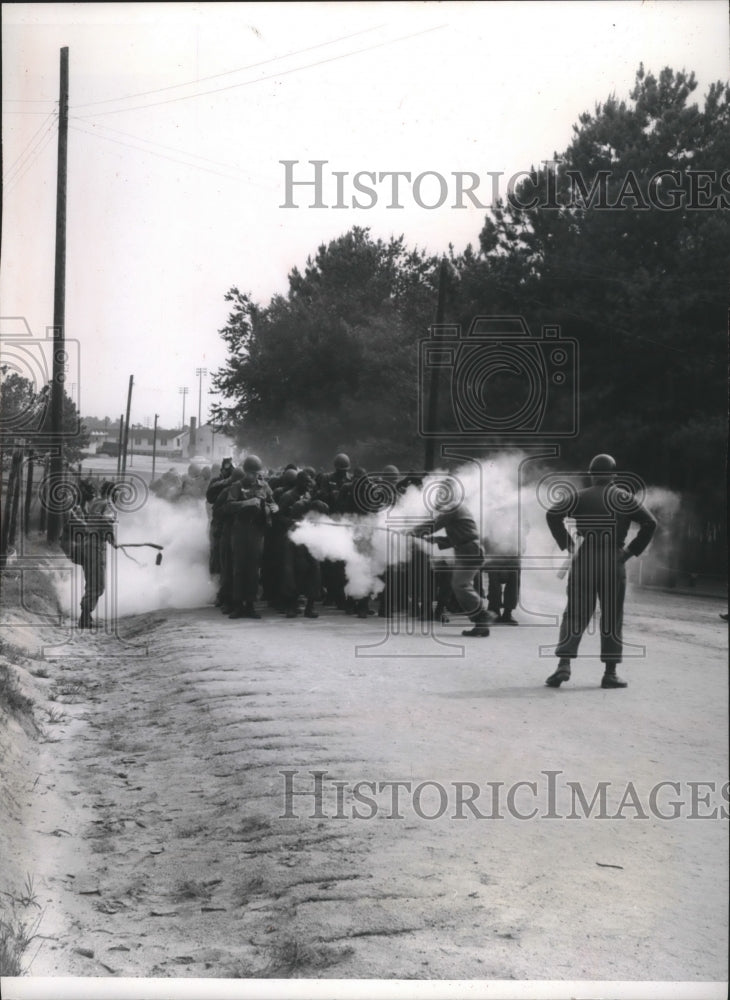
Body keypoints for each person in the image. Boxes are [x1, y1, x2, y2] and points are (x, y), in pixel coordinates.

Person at [545, 454, 657, 689]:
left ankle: (563, 665)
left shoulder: (579, 496)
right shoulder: (625, 498)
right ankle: (610, 673)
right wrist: (629, 553)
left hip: (584, 558)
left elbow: (552, 514)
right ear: (614, 475)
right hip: (613, 560)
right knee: (612, 617)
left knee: (575, 612)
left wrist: (568, 544)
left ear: (591, 474)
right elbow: (650, 524)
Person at [410, 482, 492, 637]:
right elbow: (454, 537)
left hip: (469, 550)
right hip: (467, 549)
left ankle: (482, 616)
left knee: (460, 585)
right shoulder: (456, 508)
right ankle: (481, 622)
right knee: (460, 585)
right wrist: (432, 539)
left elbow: (435, 524)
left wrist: (414, 531)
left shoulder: (454, 507)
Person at [225, 455, 278, 620]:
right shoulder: (236, 486)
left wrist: (275, 507)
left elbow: (272, 502)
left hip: (257, 531)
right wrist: (245, 504)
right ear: (245, 472)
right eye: (250, 473)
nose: (253, 476)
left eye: (255, 473)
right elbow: (228, 507)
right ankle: (238, 605)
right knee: (239, 568)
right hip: (240, 530)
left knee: (254, 569)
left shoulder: (264, 486)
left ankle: (250, 604)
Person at [63, 478, 117, 629]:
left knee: (91, 582)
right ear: (112, 493)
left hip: (86, 545)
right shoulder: (108, 505)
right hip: (96, 547)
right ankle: (85, 619)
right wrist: (111, 538)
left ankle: (86, 617)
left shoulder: (95, 503)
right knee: (98, 585)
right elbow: (106, 522)